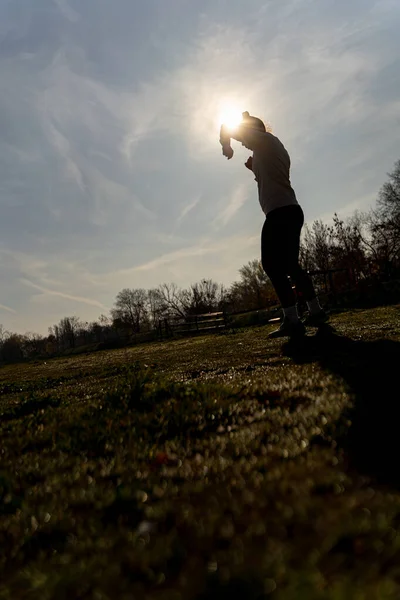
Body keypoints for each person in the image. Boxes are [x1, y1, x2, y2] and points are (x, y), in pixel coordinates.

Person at [220, 111, 328, 338]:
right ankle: (315, 312)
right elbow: (271, 179)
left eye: (245, 135)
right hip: (287, 210)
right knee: (289, 265)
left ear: (252, 130)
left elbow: (225, 127)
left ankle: (292, 319)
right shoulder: (266, 150)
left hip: (281, 213)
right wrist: (254, 169)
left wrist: (226, 145)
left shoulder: (265, 141)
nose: (243, 143)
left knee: (272, 264)